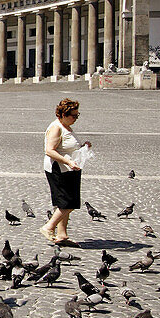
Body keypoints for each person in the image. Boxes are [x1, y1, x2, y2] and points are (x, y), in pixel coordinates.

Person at [40, 98, 91, 246]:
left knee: (63, 203)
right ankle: (48, 227)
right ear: (62, 114)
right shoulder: (56, 127)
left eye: (77, 115)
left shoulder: (66, 126)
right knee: (68, 202)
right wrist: (68, 162)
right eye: (73, 116)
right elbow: (49, 150)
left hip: (69, 169)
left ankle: (62, 235)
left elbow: (67, 146)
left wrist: (83, 147)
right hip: (59, 169)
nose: (76, 118)